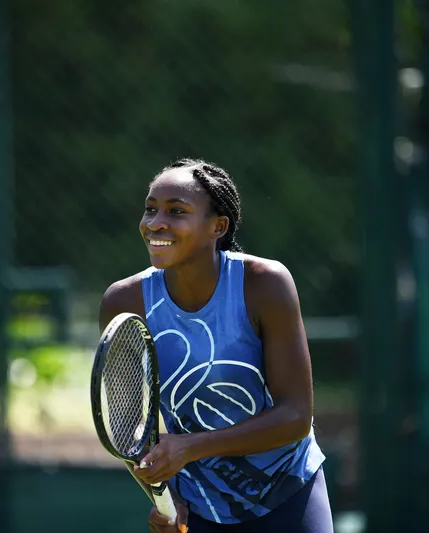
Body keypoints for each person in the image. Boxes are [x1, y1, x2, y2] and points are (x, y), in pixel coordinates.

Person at [99, 158, 333, 533]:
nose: (155, 222)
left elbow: (295, 416)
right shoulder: (123, 303)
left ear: (217, 227)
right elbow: (128, 428)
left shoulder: (264, 284)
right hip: (200, 508)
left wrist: (190, 446)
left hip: (289, 492)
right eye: (150, 209)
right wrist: (162, 491)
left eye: (176, 211)